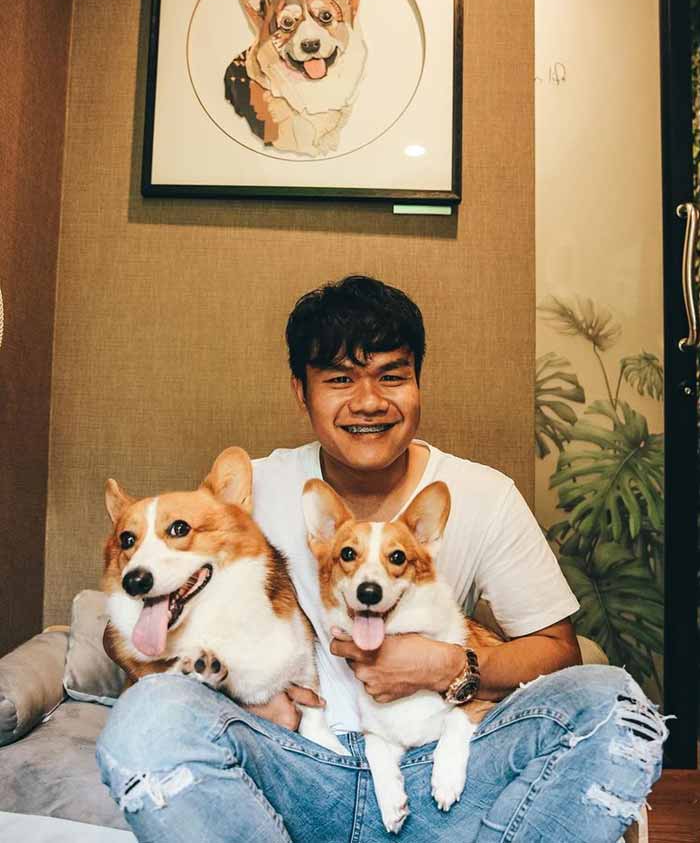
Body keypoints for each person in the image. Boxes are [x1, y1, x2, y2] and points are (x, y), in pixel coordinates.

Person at [97, 275, 667, 842]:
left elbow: (559, 651)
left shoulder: (484, 494)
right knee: (146, 718)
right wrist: (250, 701)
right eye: (340, 379)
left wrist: (449, 667)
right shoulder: (248, 497)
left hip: (445, 760)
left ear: (418, 381)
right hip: (294, 759)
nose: (368, 402)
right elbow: (129, 618)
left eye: (392, 376)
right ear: (301, 390)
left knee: (614, 703)